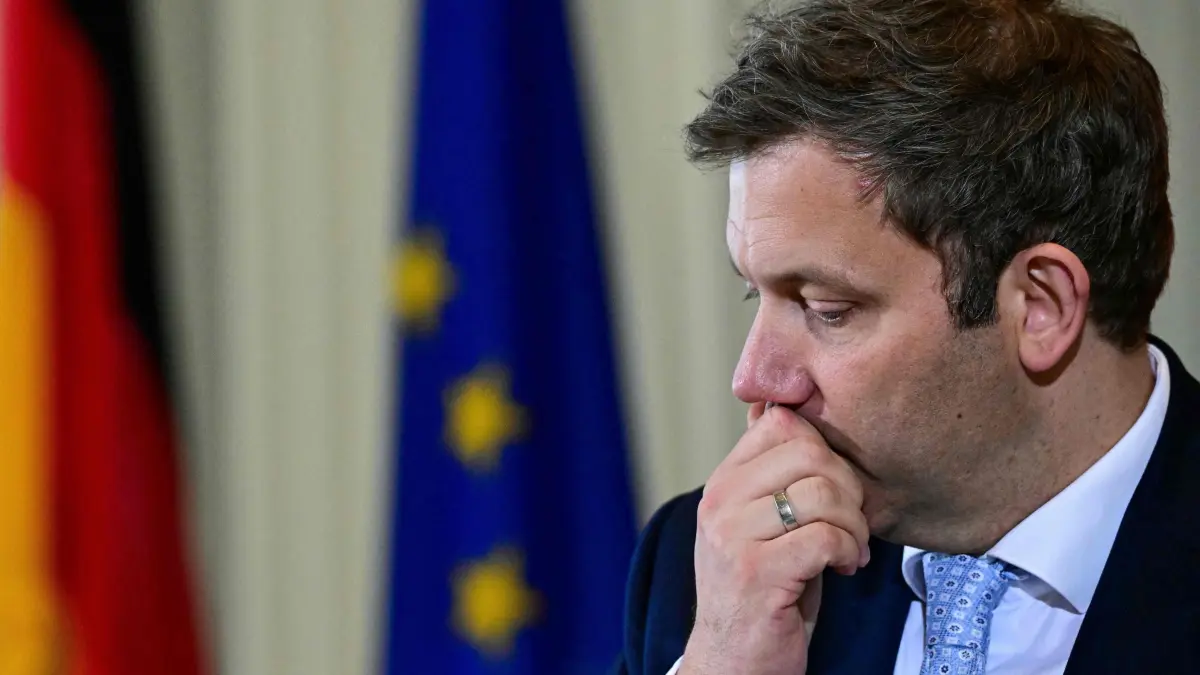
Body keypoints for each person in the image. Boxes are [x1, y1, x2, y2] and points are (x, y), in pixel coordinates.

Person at [613, 0, 1200, 673]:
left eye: (828, 307)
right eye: (757, 292)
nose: (753, 377)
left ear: (1041, 304)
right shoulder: (709, 576)